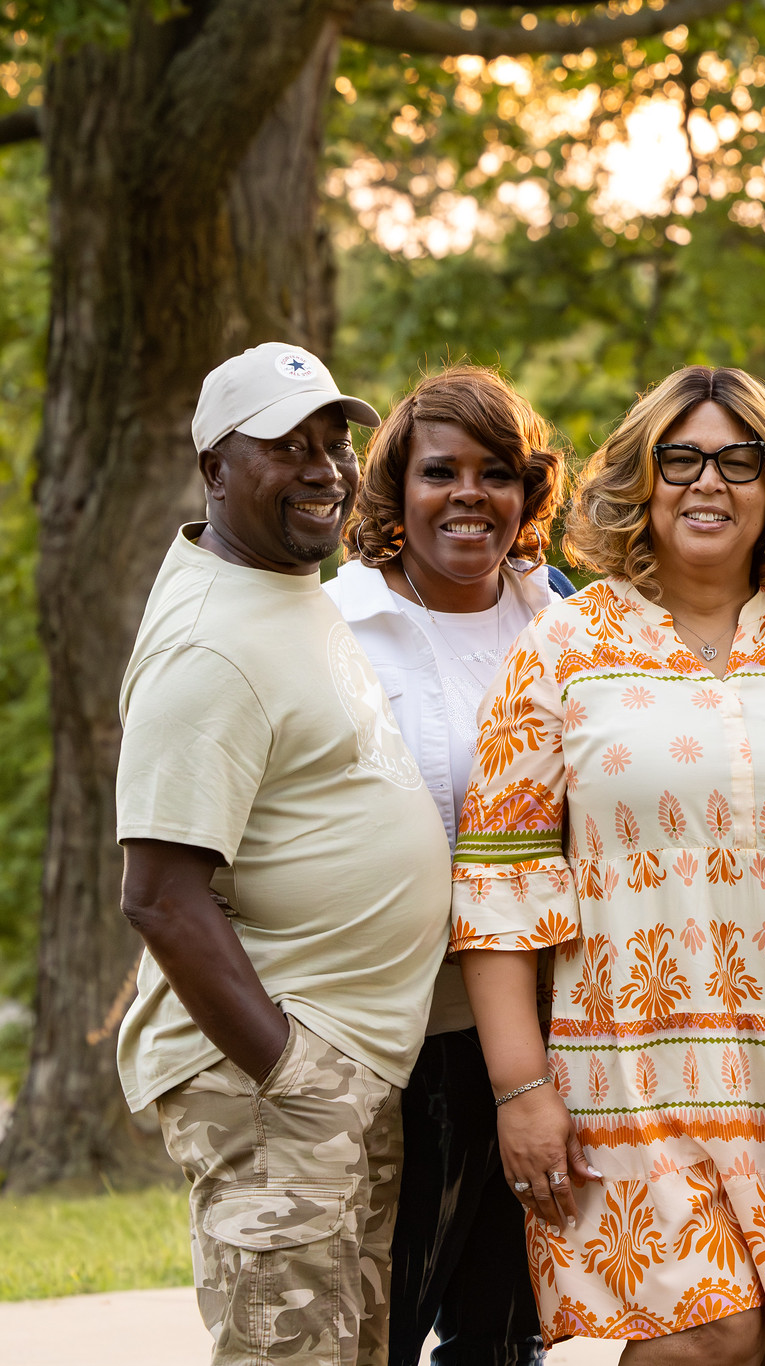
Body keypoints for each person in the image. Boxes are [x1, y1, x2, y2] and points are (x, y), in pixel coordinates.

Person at [450, 365, 765, 1364]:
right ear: (640, 481)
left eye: (738, 460)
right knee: (714, 1334)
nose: (707, 482)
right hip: (628, 1077)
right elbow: (497, 881)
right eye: (679, 458)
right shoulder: (563, 646)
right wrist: (519, 1087)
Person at [116, 342, 451, 1365]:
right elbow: (159, 896)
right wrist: (291, 1072)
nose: (324, 469)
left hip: (337, 1067)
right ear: (215, 469)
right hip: (277, 1081)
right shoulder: (206, 644)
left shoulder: (283, 587)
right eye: (287, 447)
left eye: (333, 442)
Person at [326, 364, 572, 1366]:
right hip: (385, 1030)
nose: (469, 494)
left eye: (496, 472)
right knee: (377, 1321)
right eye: (440, 471)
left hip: (531, 1024)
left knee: (504, 1333)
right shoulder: (334, 623)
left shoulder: (563, 620)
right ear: (396, 489)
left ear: (528, 492)